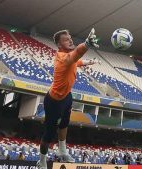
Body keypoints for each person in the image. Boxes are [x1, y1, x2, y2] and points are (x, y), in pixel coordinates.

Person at [37, 28, 100, 169]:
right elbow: (75, 55)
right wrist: (86, 44)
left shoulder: (69, 57)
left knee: (64, 123)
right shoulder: (62, 57)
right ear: (59, 45)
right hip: (54, 101)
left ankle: (62, 150)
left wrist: (91, 61)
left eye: (70, 37)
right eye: (66, 39)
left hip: (66, 97)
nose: (70, 40)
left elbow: (78, 61)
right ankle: (41, 160)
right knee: (49, 134)